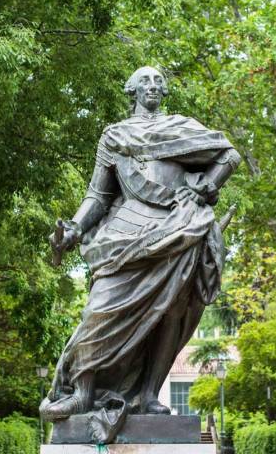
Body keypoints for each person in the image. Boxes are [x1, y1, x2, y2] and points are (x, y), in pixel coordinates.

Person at [41, 66, 241, 441]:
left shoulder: (182, 129)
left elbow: (229, 155)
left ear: (164, 91)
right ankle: (82, 391)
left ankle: (149, 395)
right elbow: (98, 196)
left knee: (169, 311)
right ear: (131, 90)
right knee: (98, 310)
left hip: (179, 229)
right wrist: (76, 228)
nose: (151, 86)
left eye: (157, 81)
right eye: (144, 81)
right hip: (126, 231)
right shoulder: (114, 137)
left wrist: (204, 189)